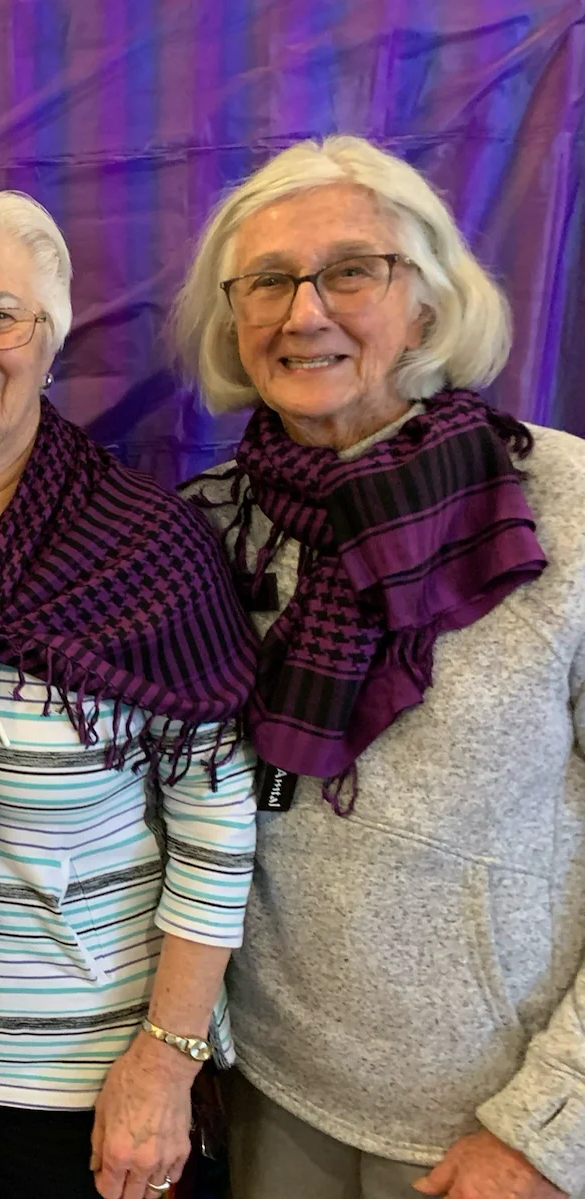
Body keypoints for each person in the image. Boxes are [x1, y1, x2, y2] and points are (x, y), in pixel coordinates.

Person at [171, 134, 585, 1199]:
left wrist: (551, 1128)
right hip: (271, 1089)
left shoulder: (562, 506)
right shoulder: (212, 527)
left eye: (350, 270)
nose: (303, 312)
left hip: (484, 1124)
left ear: (431, 302)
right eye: (266, 280)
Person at [0, 183, 260, 1199]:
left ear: (49, 341)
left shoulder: (143, 542)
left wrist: (166, 1058)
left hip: (92, 1080)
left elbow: (215, 816)